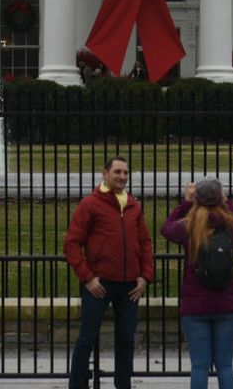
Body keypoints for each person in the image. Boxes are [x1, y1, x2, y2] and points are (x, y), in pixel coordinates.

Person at [63, 155, 155, 389]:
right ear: (105, 174)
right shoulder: (90, 204)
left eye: (125, 172)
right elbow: (72, 244)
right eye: (117, 172)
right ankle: (77, 385)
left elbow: (145, 244)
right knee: (87, 338)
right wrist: (88, 278)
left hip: (130, 286)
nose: (122, 176)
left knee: (126, 341)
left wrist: (145, 277)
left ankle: (123, 384)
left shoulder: (134, 206)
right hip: (99, 284)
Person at [160, 177, 233, 389]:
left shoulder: (188, 226)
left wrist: (185, 202)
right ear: (220, 197)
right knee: (225, 366)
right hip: (227, 303)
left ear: (197, 199)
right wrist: (226, 202)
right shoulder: (229, 225)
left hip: (195, 305)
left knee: (199, 367)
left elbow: (166, 228)